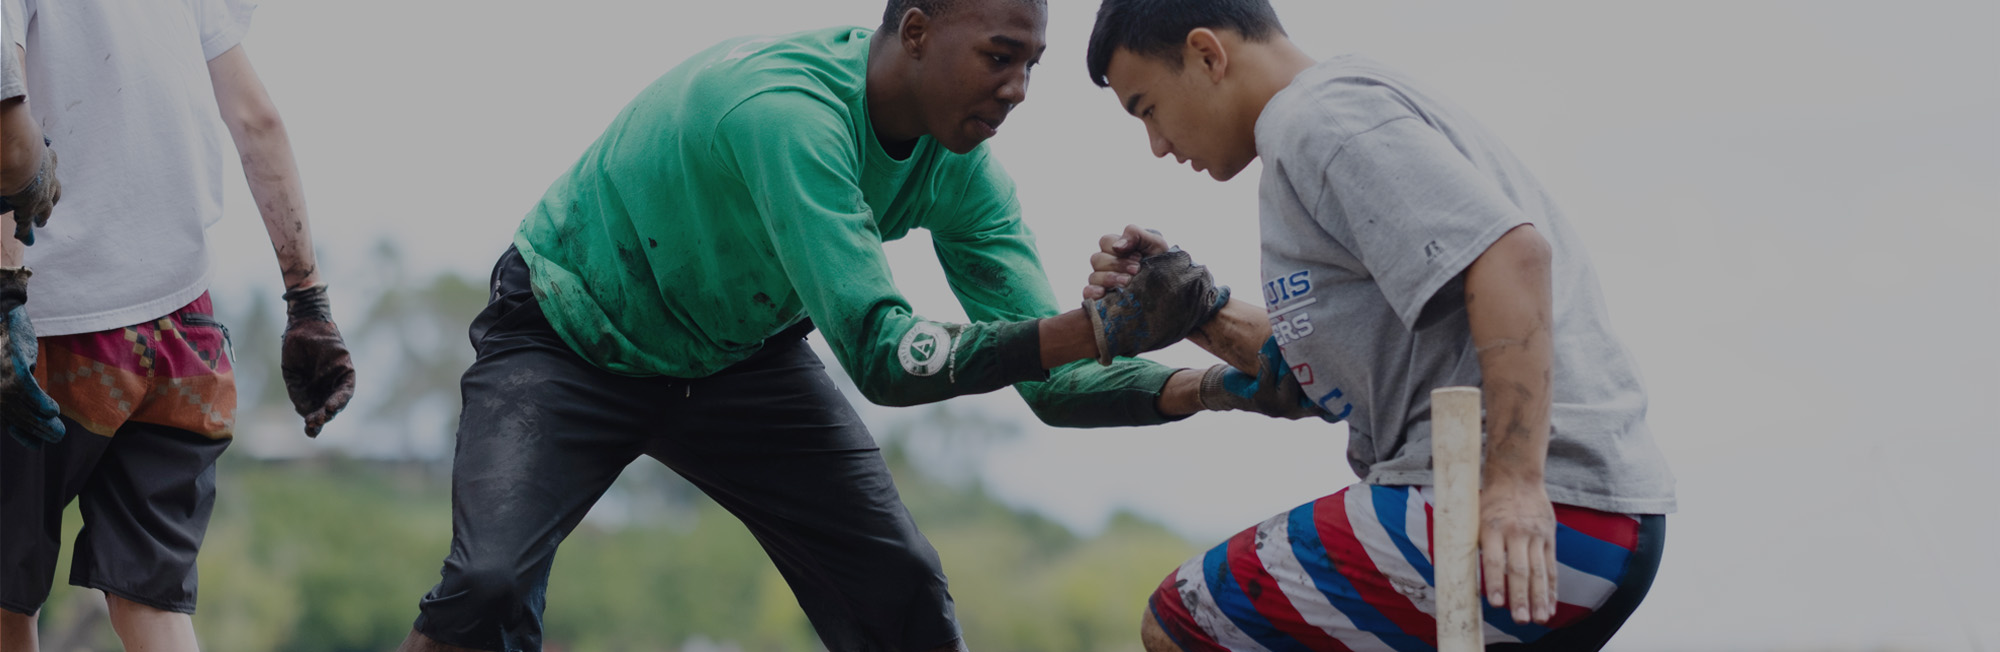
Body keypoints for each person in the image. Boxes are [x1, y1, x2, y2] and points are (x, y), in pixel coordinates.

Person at [1077, 0, 1677, 649]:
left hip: (1544, 511)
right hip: (1578, 516)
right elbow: (1336, 372)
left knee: (1184, 620)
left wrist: (1513, 487)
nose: (1158, 145)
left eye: (1147, 109)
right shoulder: (1316, 125)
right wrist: (1194, 311)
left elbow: (1513, 256)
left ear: (1206, 54)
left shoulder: (1321, 117)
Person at [0, 0, 356, 650]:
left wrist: (4, 297)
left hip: (52, 322)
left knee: (3, 594)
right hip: (182, 332)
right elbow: (258, 119)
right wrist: (307, 301)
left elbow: (6, 134)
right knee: (152, 602)